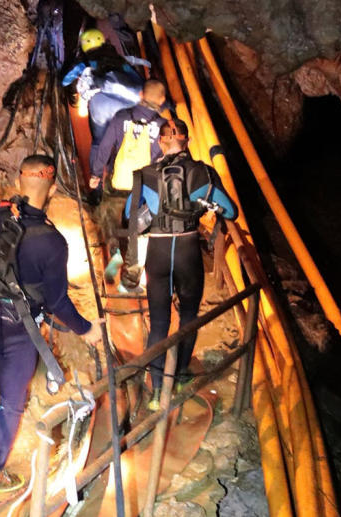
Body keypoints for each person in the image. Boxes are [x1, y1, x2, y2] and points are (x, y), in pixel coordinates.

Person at [0, 154, 103, 495]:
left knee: (9, 386)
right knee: (11, 403)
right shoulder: (52, 242)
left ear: (20, 179)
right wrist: (86, 329)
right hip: (20, 331)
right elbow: (57, 303)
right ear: (50, 187)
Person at [120, 119, 237, 409]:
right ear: (187, 140)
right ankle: (181, 375)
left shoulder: (144, 175)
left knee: (159, 322)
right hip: (187, 251)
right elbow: (231, 211)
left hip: (158, 253)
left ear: (160, 141)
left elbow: (128, 214)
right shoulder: (203, 173)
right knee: (188, 317)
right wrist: (203, 204)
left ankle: (158, 391)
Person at [89, 78, 168, 193]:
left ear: (141, 95)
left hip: (118, 179)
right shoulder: (163, 126)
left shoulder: (122, 116)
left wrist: (96, 174)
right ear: (162, 100)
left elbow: (105, 146)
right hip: (143, 186)